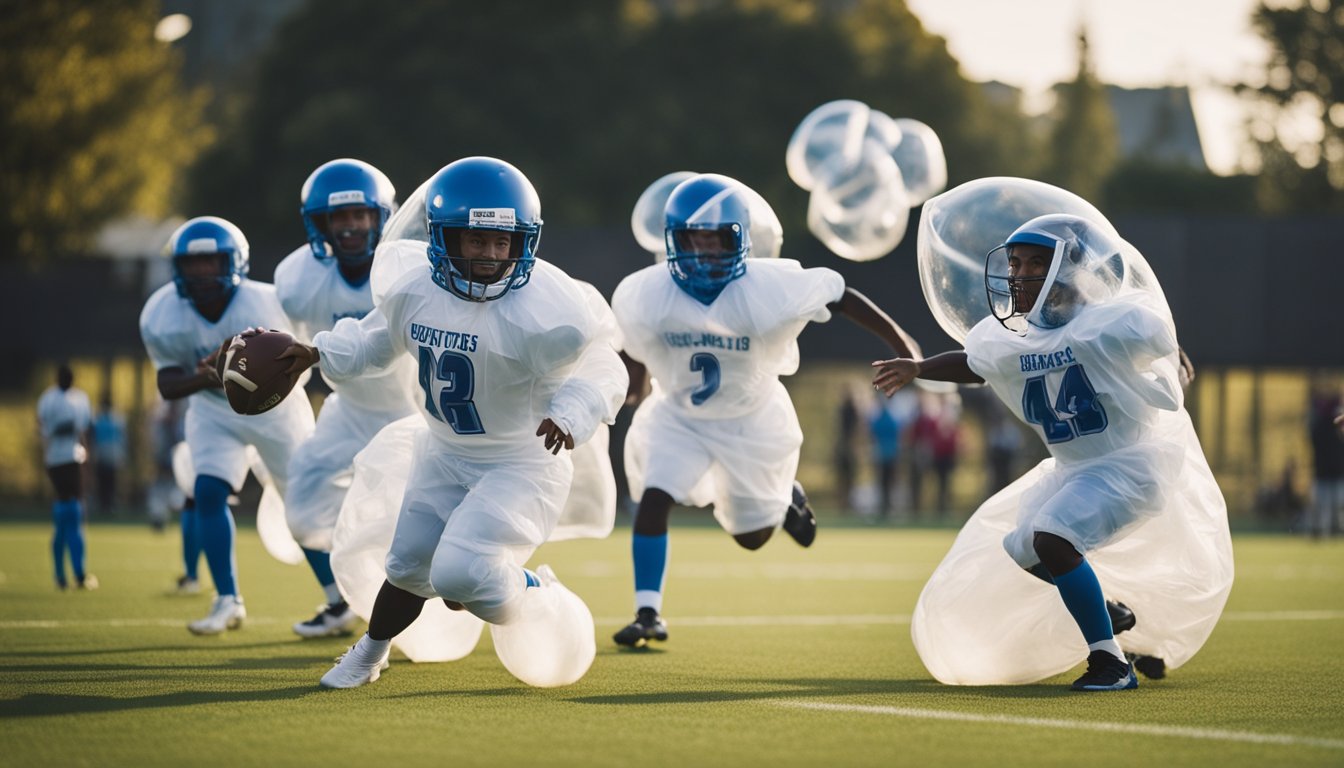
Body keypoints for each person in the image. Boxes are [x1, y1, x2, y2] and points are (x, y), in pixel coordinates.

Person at [278, 156, 627, 688]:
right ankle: (370, 653)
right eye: (474, 240)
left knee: (461, 573)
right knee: (407, 565)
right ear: (444, 238)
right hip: (442, 450)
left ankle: (533, 587)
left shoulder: (547, 307)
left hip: (521, 460)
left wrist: (573, 409)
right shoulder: (416, 289)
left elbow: (604, 360)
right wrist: (317, 352)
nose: (489, 254)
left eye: (501, 242)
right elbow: (373, 342)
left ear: (521, 241)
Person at [877, 213, 1230, 691]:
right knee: (1023, 547)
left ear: (1068, 269)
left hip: (1128, 463)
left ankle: (1112, 664)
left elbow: (1156, 350)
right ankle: (1111, 615)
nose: (1018, 275)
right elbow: (977, 362)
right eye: (1015, 264)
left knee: (1052, 538)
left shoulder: (1108, 323)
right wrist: (919, 367)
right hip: (1074, 468)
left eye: (1033, 265)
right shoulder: (1016, 336)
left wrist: (1173, 358)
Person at [610, 173, 920, 648]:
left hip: (750, 418)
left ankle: (785, 498)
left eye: (716, 240)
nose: (704, 252)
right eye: (694, 240)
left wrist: (903, 345)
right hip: (680, 415)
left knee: (751, 537)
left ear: (739, 240)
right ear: (674, 241)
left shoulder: (768, 284)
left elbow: (840, 297)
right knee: (654, 498)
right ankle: (648, 612)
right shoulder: (647, 291)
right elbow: (634, 341)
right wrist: (635, 384)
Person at [139, 216, 315, 634]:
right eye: (193, 264)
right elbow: (167, 385)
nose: (202, 272)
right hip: (214, 410)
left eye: (212, 262)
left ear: (234, 262)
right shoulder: (162, 313)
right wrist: (209, 376)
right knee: (207, 491)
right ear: (178, 268)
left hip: (278, 408)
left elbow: (301, 364)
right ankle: (226, 600)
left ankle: (337, 598)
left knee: (307, 504)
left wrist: (256, 373)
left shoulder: (268, 302)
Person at [274, 159, 416, 638]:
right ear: (322, 224)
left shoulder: (407, 266)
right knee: (302, 501)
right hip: (349, 408)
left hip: (412, 412)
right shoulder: (297, 279)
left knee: (414, 527)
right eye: (340, 218)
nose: (351, 226)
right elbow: (284, 347)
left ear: (381, 217)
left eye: (359, 215)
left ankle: (421, 615)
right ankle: (339, 603)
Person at [36, 363, 96, 590]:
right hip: (67, 460)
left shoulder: (50, 399)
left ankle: (61, 575)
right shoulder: (72, 399)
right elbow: (81, 432)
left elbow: (41, 427)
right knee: (74, 512)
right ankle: (78, 574)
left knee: (63, 518)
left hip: (61, 460)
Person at [1307, 386, 1344, 538]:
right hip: (1323, 474)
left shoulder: (1330, 427)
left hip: (1335, 473)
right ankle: (1321, 532)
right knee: (1323, 509)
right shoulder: (1319, 427)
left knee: (1336, 508)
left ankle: (1334, 532)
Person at [90, 392, 127, 517]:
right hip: (112, 452)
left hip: (104, 452)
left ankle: (106, 504)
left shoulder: (98, 419)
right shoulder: (116, 419)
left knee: (106, 480)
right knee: (108, 480)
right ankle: (107, 504)